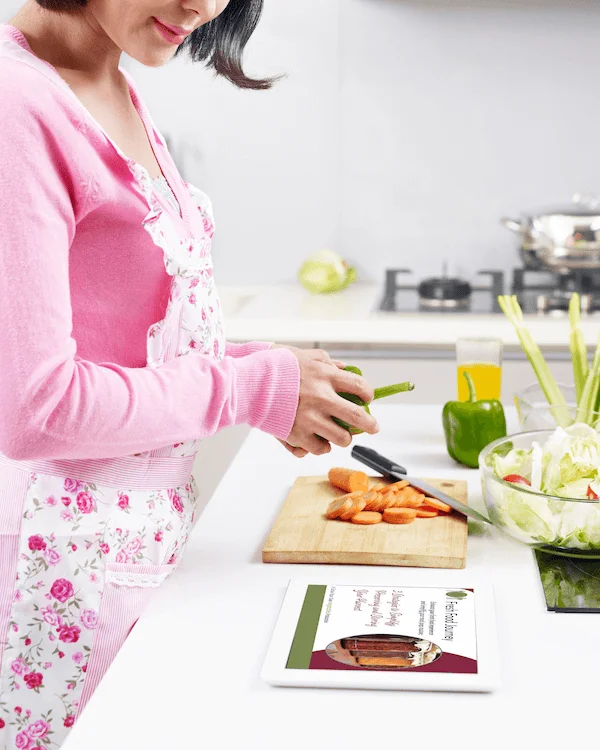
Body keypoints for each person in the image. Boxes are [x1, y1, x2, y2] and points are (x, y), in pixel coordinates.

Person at [0, 0, 379, 745]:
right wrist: (244, 389)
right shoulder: (17, 108)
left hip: (131, 555)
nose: (203, 6)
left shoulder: (111, 80)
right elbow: (35, 408)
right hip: (61, 572)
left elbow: (122, 348)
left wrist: (274, 379)